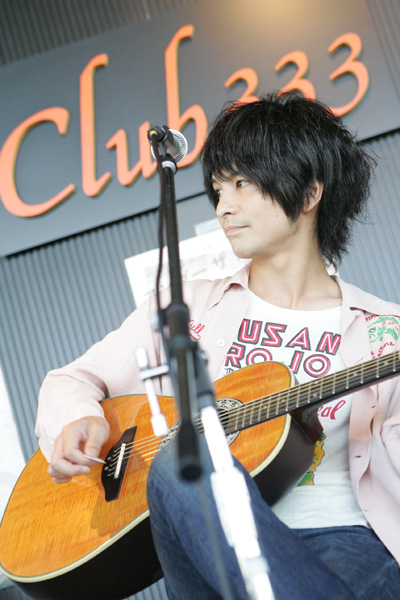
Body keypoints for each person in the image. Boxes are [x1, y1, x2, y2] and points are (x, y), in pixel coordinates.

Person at [36, 92, 400, 599]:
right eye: (217, 189)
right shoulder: (185, 307)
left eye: (242, 183)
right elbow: (70, 380)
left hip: (342, 540)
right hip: (206, 548)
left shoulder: (386, 331)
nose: (224, 206)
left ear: (309, 192)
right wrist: (79, 419)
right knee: (181, 458)